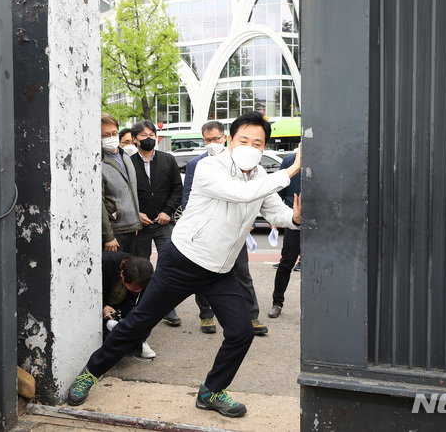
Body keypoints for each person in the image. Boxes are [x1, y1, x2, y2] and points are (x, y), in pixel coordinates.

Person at [68, 111, 302, 419]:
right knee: (139, 322)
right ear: (230, 140)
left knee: (241, 332)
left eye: (258, 143)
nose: (250, 146)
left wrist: (295, 218)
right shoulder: (209, 167)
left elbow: (275, 212)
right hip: (183, 262)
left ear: (264, 147)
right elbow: (240, 194)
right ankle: (91, 372)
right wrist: (292, 168)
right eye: (244, 139)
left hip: (221, 271)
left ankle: (211, 391)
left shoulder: (259, 177)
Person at [182, 121, 267, 336]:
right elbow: (188, 196)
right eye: (208, 140)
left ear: (225, 138)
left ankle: (252, 316)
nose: (213, 143)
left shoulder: (242, 161)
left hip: (235, 232)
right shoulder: (197, 164)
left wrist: (249, 220)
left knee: (242, 274)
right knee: (202, 275)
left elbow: (251, 193)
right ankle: (206, 315)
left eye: (216, 138)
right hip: (208, 234)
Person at [129, 120, 183, 326]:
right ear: (135, 139)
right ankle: (140, 308)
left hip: (164, 223)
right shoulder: (128, 163)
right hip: (140, 225)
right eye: (143, 135)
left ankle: (168, 308)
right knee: (139, 268)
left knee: (168, 265)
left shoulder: (168, 160)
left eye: (152, 134)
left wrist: (167, 211)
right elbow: (126, 194)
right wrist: (136, 214)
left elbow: (177, 189)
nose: (149, 138)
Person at [101, 113, 142, 253]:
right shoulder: (98, 163)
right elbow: (99, 203)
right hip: (115, 231)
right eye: (105, 135)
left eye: (114, 133)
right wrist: (108, 236)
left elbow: (131, 192)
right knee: (115, 272)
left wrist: (135, 222)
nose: (111, 137)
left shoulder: (125, 156)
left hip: (131, 228)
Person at [101, 251, 155, 358]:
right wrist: (103, 306)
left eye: (141, 288)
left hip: (123, 303)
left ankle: (141, 341)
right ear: (122, 274)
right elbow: (85, 293)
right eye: (134, 288)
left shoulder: (144, 272)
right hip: (101, 302)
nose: (138, 290)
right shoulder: (104, 263)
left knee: (147, 311)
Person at [268, 151, 301, 319]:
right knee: (286, 262)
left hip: (321, 224)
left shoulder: (326, 159)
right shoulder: (290, 160)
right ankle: (277, 302)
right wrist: (274, 217)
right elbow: (278, 192)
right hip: (293, 220)